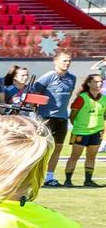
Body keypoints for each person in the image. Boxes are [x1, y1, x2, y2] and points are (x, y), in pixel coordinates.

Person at [39, 52, 79, 185]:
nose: (67, 63)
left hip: (62, 118)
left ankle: (49, 177)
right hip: (46, 117)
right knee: (43, 148)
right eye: (64, 61)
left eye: (69, 61)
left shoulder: (72, 78)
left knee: (58, 147)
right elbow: (35, 93)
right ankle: (37, 176)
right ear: (55, 62)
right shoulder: (47, 77)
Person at [61, 72, 105, 187]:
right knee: (75, 156)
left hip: (97, 132)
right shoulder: (82, 98)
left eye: (101, 81)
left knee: (92, 156)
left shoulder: (104, 99)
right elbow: (72, 115)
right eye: (96, 81)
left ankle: (88, 180)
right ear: (89, 83)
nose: (99, 84)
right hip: (81, 132)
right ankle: (68, 181)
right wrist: (78, 126)